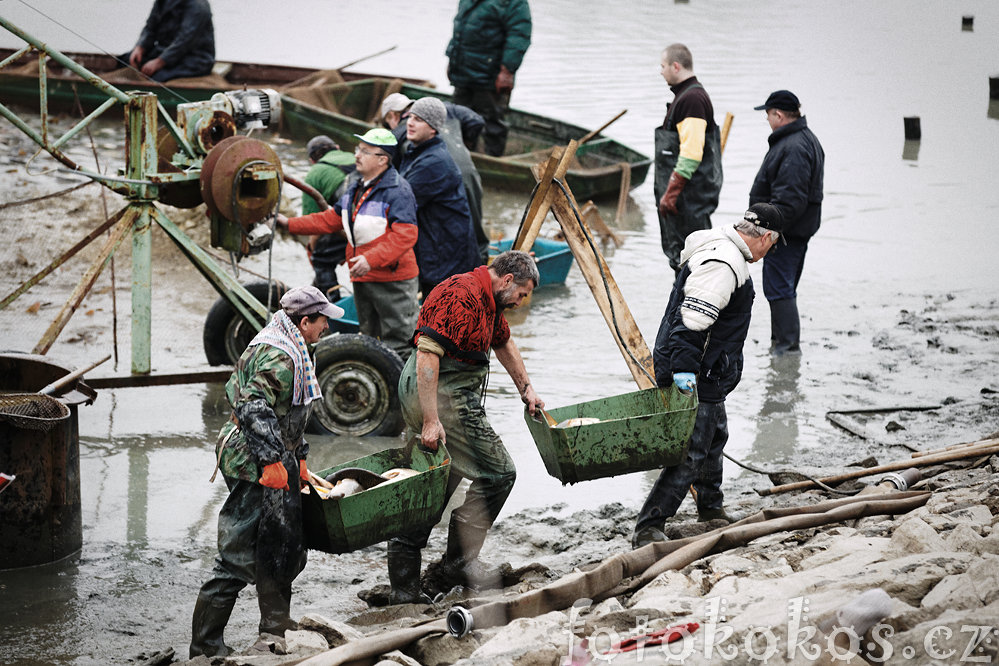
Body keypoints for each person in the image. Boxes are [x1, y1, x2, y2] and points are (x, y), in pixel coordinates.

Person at [189, 285, 344, 658]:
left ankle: (275, 625)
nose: (326, 327)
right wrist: (273, 461)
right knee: (237, 553)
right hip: (252, 461)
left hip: (277, 454)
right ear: (305, 321)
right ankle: (205, 647)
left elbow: (290, 413)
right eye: (322, 320)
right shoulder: (280, 356)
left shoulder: (289, 341)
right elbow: (253, 407)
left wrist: (299, 456)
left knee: (283, 541)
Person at [385, 250, 544, 603]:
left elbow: (502, 342)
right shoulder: (460, 295)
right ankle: (455, 564)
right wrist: (431, 420)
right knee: (499, 473)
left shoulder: (490, 301)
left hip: (453, 394)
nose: (521, 301)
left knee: (440, 478)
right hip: (438, 395)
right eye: (521, 293)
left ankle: (407, 585)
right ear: (506, 281)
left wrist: (526, 388)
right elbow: (427, 354)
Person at [632, 204, 783, 549]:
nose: (770, 251)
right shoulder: (724, 264)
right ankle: (649, 525)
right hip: (698, 370)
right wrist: (684, 373)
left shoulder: (719, 247)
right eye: (773, 245)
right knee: (692, 451)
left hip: (708, 370)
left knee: (715, 436)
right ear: (767, 238)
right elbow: (692, 323)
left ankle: (710, 508)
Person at [276, 128, 419, 360]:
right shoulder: (357, 188)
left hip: (393, 282)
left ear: (382, 160)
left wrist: (370, 260)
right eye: (357, 149)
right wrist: (288, 224)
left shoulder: (397, 191)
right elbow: (330, 219)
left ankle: (402, 394)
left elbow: (405, 236)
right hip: (363, 277)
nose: (357, 155)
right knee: (370, 340)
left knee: (399, 344)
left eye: (365, 151)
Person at [749, 90, 825, 355]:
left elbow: (789, 202)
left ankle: (787, 351)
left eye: (768, 115)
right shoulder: (801, 139)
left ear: (778, 115)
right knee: (782, 289)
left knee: (779, 289)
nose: (768, 120)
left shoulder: (793, 146)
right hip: (794, 232)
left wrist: (763, 231)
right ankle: (780, 345)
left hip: (785, 234)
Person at [382, 93, 490, 262]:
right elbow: (476, 120)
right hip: (469, 172)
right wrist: (466, 143)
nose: (411, 122)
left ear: (392, 116)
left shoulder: (401, 132)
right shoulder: (448, 108)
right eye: (411, 117)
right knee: (473, 228)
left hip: (439, 174)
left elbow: (392, 180)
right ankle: (481, 260)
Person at [398, 97, 482, 297]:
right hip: (436, 253)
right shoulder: (417, 152)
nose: (410, 123)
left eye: (418, 119)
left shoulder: (434, 163)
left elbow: (400, 201)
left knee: (444, 320)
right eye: (410, 117)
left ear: (433, 128)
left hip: (446, 260)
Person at [654, 43, 723, 274]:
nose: (660, 71)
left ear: (676, 66)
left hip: (688, 203)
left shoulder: (692, 100)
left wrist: (671, 194)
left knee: (692, 264)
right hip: (685, 202)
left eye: (663, 66)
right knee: (684, 262)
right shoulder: (686, 96)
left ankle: (686, 309)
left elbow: (692, 154)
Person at [446, 0, 532, 156]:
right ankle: (461, 156)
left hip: (490, 76)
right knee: (458, 117)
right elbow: (459, 29)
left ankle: (492, 160)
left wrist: (507, 71)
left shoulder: (514, 3)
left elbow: (519, 36)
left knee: (493, 122)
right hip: (463, 71)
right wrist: (451, 59)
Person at [301, 135, 356, 301]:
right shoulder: (355, 157)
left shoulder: (314, 174)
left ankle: (334, 308)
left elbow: (314, 225)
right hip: (381, 216)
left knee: (321, 259)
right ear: (337, 147)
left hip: (356, 221)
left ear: (312, 160)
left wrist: (313, 251)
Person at [126, 0, 215, 82]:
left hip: (195, 60)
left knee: (157, 77)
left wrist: (159, 62)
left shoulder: (198, 5)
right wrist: (140, 47)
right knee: (125, 59)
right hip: (164, 51)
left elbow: (185, 40)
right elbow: (150, 27)